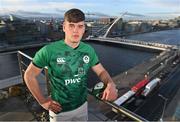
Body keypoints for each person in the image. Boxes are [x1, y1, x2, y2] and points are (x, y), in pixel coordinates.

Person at [24, 8, 118, 121]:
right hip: (59, 110)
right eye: (71, 25)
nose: (75, 31)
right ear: (64, 27)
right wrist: (42, 101)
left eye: (80, 26)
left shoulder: (88, 50)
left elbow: (101, 71)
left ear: (84, 29)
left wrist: (110, 84)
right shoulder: (48, 51)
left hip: (82, 106)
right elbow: (29, 75)